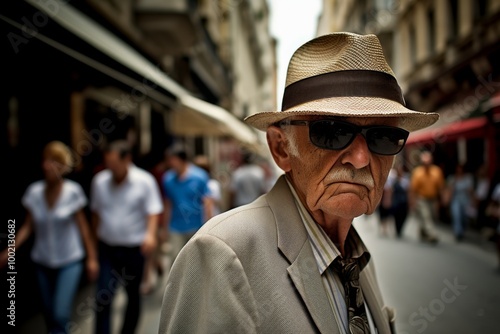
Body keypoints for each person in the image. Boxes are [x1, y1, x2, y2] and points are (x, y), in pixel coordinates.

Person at [158, 32, 439, 333]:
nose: (360, 158)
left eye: (383, 137)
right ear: (281, 148)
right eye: (331, 132)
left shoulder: (352, 252)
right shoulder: (225, 254)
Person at [0, 141, 98, 334]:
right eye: (46, 161)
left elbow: (84, 229)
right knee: (48, 313)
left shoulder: (72, 192)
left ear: (62, 166)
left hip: (69, 260)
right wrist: (8, 251)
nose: (47, 165)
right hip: (42, 261)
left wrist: (92, 259)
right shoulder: (34, 192)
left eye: (53, 161)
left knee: (60, 313)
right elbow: (27, 227)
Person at [90, 140, 163, 334]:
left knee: (133, 296)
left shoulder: (144, 180)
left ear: (127, 159)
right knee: (102, 296)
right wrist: (93, 249)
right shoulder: (100, 181)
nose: (111, 169)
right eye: (108, 164)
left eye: (115, 164)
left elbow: (153, 211)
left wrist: (150, 235)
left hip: (134, 249)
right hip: (108, 248)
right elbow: (95, 213)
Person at [162, 148, 213, 265]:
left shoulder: (200, 176)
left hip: (196, 226)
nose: (170, 163)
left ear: (182, 160)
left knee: (195, 260)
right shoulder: (168, 179)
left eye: (172, 160)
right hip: (175, 227)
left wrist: (208, 226)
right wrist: (164, 228)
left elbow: (207, 202)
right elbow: (168, 204)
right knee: (175, 260)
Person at [410, 151, 444, 243]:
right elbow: (413, 190)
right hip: (422, 199)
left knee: (432, 216)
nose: (426, 164)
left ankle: (423, 232)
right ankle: (432, 234)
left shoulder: (437, 171)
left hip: (433, 199)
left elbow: (440, 187)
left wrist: (443, 198)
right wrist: (412, 202)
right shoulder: (417, 173)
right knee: (426, 216)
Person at [446, 164, 474, 241]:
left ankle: (463, 230)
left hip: (465, 200)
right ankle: (458, 233)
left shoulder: (468, 178)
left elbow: (470, 191)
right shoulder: (452, 178)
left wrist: (473, 201)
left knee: (464, 217)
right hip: (456, 200)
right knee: (456, 215)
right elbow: (449, 190)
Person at [390, 165, 411, 238]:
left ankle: (400, 229)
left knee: (403, 216)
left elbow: (408, 191)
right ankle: (397, 229)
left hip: (403, 201)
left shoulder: (405, 180)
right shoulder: (393, 180)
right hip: (396, 201)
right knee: (396, 216)